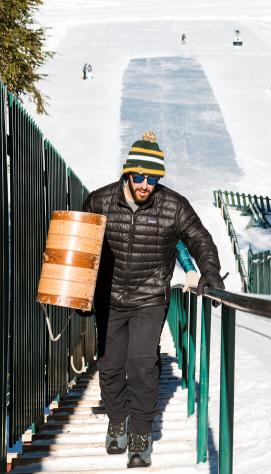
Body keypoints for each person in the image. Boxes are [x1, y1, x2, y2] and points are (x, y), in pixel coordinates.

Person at [82, 131, 223, 468]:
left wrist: (211, 273)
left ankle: (140, 434)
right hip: (110, 297)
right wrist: (77, 294)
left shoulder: (174, 205)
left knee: (142, 366)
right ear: (128, 173)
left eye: (154, 178)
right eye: (140, 176)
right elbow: (80, 247)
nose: (146, 184)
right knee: (111, 365)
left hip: (149, 297)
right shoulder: (99, 201)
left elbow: (200, 239)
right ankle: (117, 420)